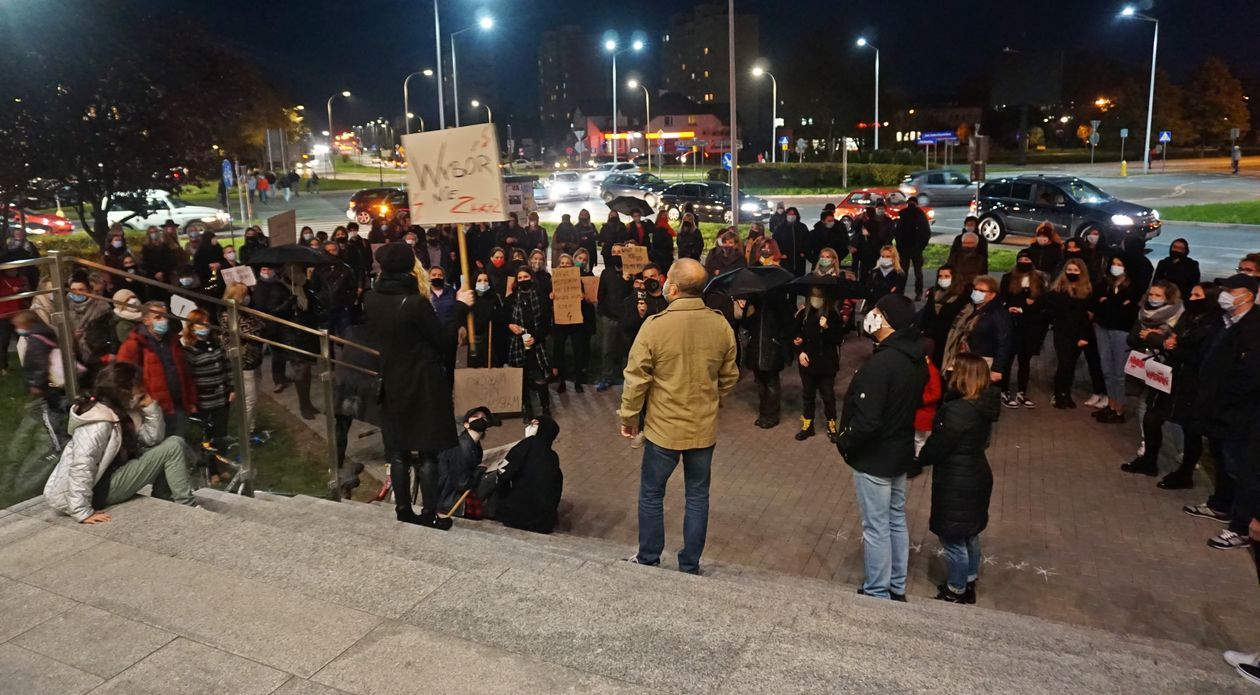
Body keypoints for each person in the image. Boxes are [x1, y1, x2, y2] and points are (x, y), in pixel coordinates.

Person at [619, 259, 739, 574]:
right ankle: (690, 564)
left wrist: (629, 417)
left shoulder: (655, 326)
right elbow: (729, 376)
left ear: (673, 287)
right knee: (698, 496)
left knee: (651, 493)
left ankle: (648, 557)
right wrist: (713, 399)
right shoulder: (720, 324)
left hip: (663, 430)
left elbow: (636, 379)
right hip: (703, 428)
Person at [365, 243, 472, 529]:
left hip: (392, 381)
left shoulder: (371, 298)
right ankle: (430, 512)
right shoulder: (414, 302)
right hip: (422, 383)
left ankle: (403, 508)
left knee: (398, 450)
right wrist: (460, 308)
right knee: (427, 451)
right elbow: (444, 341)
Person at [836, 294, 927, 600]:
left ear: (887, 320)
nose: (868, 315)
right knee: (895, 519)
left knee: (876, 526)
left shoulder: (882, 364)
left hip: (875, 458)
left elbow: (868, 421)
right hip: (899, 451)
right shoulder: (916, 358)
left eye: (874, 311)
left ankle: (877, 589)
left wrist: (845, 441)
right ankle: (896, 585)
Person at [42, 362, 195, 523]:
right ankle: (187, 505)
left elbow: (152, 439)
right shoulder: (99, 422)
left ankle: (164, 497)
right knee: (174, 445)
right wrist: (82, 511)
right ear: (123, 392)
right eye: (137, 385)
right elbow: (82, 465)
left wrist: (150, 407)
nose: (142, 388)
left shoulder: (121, 412)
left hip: (111, 476)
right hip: (99, 490)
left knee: (171, 445)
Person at [917, 352, 1001, 604]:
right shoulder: (984, 403)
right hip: (977, 474)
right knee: (970, 534)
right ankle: (970, 578)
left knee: (953, 538)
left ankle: (956, 589)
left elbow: (939, 445)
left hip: (956, 481)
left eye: (954, 370)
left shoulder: (957, 410)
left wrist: (918, 458)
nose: (949, 372)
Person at [1184, 274, 1260, 551]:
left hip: (1242, 413)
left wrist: (1226, 400)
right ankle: (1221, 504)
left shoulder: (1254, 326)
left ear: (1248, 295)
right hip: (1216, 408)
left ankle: (1242, 527)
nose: (1225, 294)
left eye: (1231, 290)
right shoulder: (1222, 319)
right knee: (1221, 459)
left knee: (1243, 469)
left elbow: (1250, 374)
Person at [1156, 283, 1222, 490]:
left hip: (1195, 382)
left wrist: (1176, 348)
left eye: (1197, 295)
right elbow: (1174, 335)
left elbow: (1202, 357)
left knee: (1191, 429)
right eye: (1191, 293)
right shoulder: (1189, 317)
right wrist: (1169, 343)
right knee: (1157, 415)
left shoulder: (1214, 325)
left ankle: (1186, 471)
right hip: (1177, 375)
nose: (1192, 297)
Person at [1119, 281, 1183, 476]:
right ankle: (1146, 442)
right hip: (1145, 362)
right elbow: (1132, 338)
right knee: (1143, 404)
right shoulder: (1143, 313)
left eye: (1158, 295)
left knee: (1170, 412)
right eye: (1151, 294)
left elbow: (1173, 344)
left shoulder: (1179, 315)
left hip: (1167, 366)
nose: (1153, 299)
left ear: (1169, 298)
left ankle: (1182, 449)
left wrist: (1154, 337)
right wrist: (1146, 335)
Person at [116, 300, 198, 438]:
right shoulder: (133, 345)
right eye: (158, 317)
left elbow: (185, 373)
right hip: (153, 409)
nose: (163, 321)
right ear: (146, 320)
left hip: (178, 405)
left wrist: (191, 400)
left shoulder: (173, 342)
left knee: (181, 442)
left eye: (165, 316)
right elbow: (123, 378)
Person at [1045, 258, 1106, 409]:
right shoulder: (1058, 289)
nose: (1072, 273)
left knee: (1071, 364)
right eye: (1069, 270)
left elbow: (1089, 316)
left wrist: (1084, 336)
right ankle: (1059, 394)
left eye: (1075, 271)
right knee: (1064, 363)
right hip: (1062, 331)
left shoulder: (1087, 291)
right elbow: (1050, 309)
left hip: (1079, 332)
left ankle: (1066, 393)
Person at [1090, 255, 1142, 424]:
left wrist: (1108, 303)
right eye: (1113, 264)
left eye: (1119, 264)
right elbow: (1096, 303)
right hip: (1102, 327)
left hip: (1121, 331)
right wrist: (1114, 303)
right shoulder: (1105, 284)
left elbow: (1128, 310)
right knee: (1107, 370)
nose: (1116, 267)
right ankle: (1111, 406)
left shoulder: (1132, 287)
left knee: (1119, 373)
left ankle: (1119, 409)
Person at [179, 308, 234, 462]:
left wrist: (231, 387)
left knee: (221, 431)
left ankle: (222, 460)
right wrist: (191, 402)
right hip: (205, 399)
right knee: (207, 435)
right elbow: (187, 377)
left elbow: (226, 365)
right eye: (200, 324)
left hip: (222, 397)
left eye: (206, 323)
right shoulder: (188, 350)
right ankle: (211, 468)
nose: (204, 327)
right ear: (191, 327)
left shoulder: (216, 342)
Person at [494, 416, 564, 534]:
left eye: (534, 424)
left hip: (515, 516)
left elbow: (504, 473)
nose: (529, 427)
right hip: (541, 522)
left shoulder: (526, 446)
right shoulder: (552, 457)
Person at [998, 250, 1049, 408]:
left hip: (1029, 326)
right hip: (1012, 323)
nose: (1024, 261)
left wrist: (1026, 307)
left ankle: (1021, 392)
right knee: (1007, 360)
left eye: (1027, 259)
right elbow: (1004, 298)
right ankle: (1004, 390)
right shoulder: (1008, 278)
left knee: (1024, 361)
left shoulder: (1039, 279)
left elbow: (1041, 301)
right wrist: (1020, 305)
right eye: (1021, 259)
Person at [792, 287, 843, 441]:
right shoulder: (802, 315)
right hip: (807, 364)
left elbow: (838, 339)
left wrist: (827, 328)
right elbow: (795, 336)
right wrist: (799, 351)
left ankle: (831, 425)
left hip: (827, 364)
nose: (816, 299)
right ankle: (808, 425)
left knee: (828, 395)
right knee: (808, 396)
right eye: (813, 296)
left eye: (819, 296)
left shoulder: (832, 315)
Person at [942, 275, 1012, 387]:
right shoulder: (968, 309)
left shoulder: (998, 313)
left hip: (982, 362)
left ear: (992, 294)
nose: (977, 292)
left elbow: (1004, 342)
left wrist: (997, 369)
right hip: (963, 358)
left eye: (982, 290)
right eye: (975, 289)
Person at [505, 265, 553, 419]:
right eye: (520, 278)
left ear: (531, 278)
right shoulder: (511, 299)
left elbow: (547, 324)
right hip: (518, 345)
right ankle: (528, 409)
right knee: (522, 378)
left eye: (526, 277)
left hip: (536, 344)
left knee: (540, 377)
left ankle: (545, 408)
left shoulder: (541, 298)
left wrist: (536, 338)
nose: (523, 280)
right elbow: (504, 319)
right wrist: (510, 326)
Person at [740, 289, 790, 429]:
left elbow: (786, 322)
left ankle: (772, 415)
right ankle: (764, 412)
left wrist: (781, 341)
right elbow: (746, 322)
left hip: (772, 345)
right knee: (760, 381)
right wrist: (748, 314)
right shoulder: (753, 299)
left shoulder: (778, 298)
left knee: (771, 381)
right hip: (756, 345)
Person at [220, 283, 263, 439]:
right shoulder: (229, 315)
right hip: (244, 362)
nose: (248, 297)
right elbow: (250, 331)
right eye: (244, 294)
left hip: (254, 359)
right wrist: (257, 324)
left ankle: (251, 426)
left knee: (254, 396)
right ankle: (246, 431)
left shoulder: (245, 312)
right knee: (249, 398)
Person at [437, 407, 496, 515]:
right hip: (451, 500)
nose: (480, 419)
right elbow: (461, 483)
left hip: (458, 494)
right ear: (466, 424)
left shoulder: (475, 446)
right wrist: (480, 470)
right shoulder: (461, 446)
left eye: (483, 417)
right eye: (475, 417)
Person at [552, 254, 596, 394]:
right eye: (562, 263)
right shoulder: (553, 279)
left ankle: (578, 380)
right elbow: (547, 299)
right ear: (559, 265)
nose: (565, 265)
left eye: (567, 263)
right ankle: (562, 380)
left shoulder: (578, 280)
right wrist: (550, 296)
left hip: (576, 321)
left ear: (572, 266)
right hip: (560, 321)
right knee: (559, 351)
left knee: (578, 350)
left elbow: (584, 299)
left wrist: (582, 297)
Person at [595, 244, 632, 391]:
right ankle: (607, 376)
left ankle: (625, 377)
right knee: (607, 349)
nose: (616, 255)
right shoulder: (606, 273)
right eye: (613, 252)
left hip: (626, 318)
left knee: (625, 349)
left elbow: (631, 295)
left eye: (619, 252)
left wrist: (626, 280)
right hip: (609, 317)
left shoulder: (631, 274)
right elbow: (601, 294)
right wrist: (602, 311)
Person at [919, 265, 968, 368]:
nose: (942, 279)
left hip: (948, 340)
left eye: (946, 276)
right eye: (940, 276)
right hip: (932, 337)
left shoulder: (962, 296)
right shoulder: (934, 293)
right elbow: (927, 313)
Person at [894, 197, 932, 299]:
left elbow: (898, 233)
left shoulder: (903, 214)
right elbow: (926, 232)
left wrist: (899, 247)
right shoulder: (920, 215)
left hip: (904, 249)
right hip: (916, 249)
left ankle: (900, 292)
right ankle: (918, 293)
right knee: (918, 272)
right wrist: (921, 246)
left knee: (903, 272)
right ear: (916, 203)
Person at [1, 262, 31, 376]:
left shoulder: (22, 278)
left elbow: (28, 291)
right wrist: (12, 291)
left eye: (16, 269)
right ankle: (3, 367)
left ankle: (28, 364)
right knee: (4, 342)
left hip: (19, 313)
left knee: (25, 340)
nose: (14, 270)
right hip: (4, 315)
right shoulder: (2, 280)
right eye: (11, 269)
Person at [773, 206, 810, 275]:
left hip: (799, 257)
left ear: (797, 215)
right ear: (786, 215)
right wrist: (780, 253)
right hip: (785, 258)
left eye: (793, 214)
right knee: (786, 276)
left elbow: (808, 241)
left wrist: (804, 252)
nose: (791, 216)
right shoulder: (780, 228)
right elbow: (775, 242)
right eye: (789, 214)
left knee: (799, 277)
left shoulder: (802, 227)